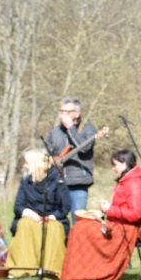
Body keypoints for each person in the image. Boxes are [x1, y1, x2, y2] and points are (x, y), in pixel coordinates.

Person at [60, 149, 141, 280]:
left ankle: (85, 272)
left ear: (124, 164)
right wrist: (102, 213)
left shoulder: (135, 183)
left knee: (81, 230)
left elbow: (136, 214)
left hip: (126, 229)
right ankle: (80, 270)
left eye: (115, 165)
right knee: (81, 226)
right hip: (117, 223)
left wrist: (110, 209)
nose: (113, 169)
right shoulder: (127, 181)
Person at [6, 149, 71, 276]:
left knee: (53, 228)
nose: (24, 166)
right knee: (25, 225)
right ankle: (25, 269)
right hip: (31, 217)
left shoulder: (58, 179)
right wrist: (30, 214)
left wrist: (50, 217)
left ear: (37, 165)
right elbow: (18, 206)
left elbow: (65, 207)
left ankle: (50, 269)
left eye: (27, 163)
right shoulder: (25, 181)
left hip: (53, 218)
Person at [45, 96, 98, 224]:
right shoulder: (55, 132)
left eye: (66, 112)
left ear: (76, 113)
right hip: (57, 183)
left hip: (78, 184)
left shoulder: (88, 129)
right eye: (61, 112)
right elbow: (44, 153)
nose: (62, 115)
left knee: (78, 222)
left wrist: (71, 128)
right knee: (55, 221)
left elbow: (84, 148)